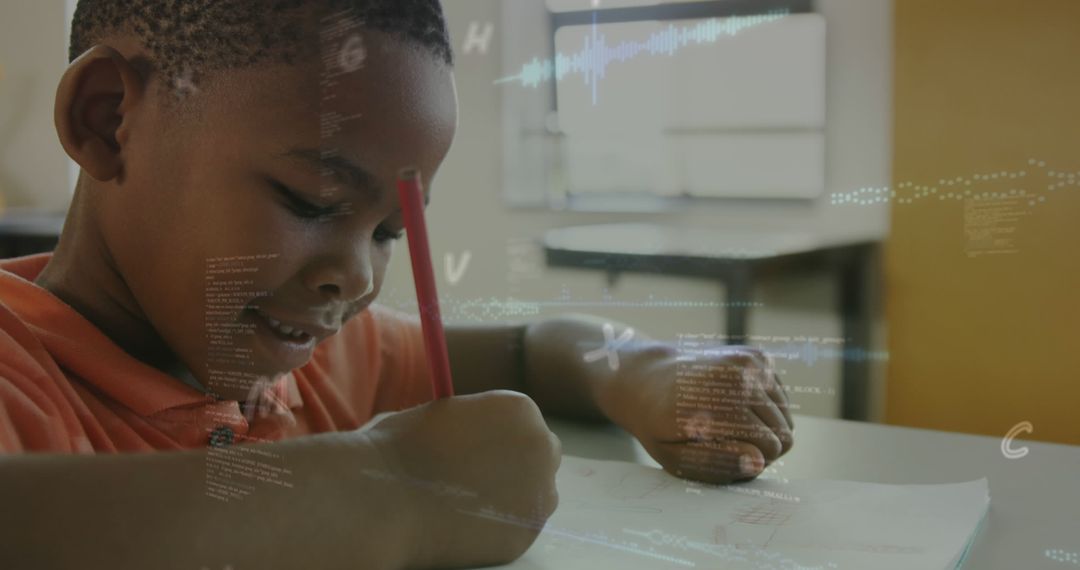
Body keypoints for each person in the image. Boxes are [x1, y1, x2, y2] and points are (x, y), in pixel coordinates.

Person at [0, 1, 794, 568]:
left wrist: (641, 367)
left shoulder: (302, 365)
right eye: (310, 202)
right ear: (108, 121)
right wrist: (394, 491)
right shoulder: (19, 377)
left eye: (389, 233)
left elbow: (528, 349)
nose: (355, 275)